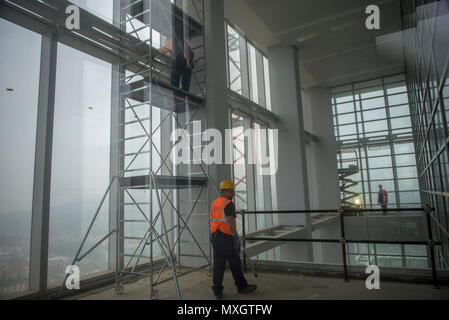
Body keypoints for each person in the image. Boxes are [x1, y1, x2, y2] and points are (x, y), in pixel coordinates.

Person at [209, 180, 257, 299]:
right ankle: (242, 286)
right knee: (235, 263)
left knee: (218, 265)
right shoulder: (228, 204)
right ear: (224, 191)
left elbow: (218, 218)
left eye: (233, 191)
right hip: (226, 236)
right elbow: (229, 220)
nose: (233, 193)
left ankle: (217, 291)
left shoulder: (215, 203)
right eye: (231, 191)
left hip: (215, 236)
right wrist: (235, 236)